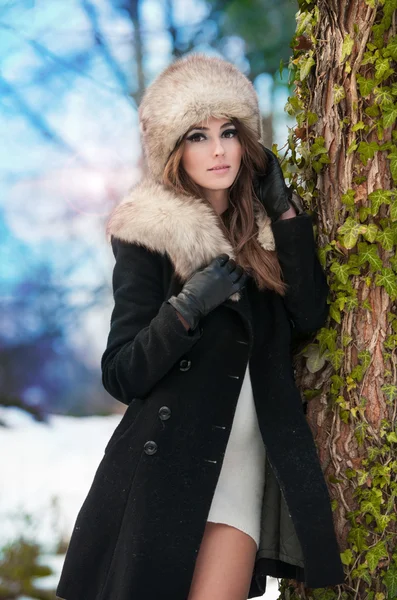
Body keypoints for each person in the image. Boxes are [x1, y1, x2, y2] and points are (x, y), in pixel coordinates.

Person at [56, 53, 345, 600]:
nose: (217, 150)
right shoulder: (147, 237)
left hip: (239, 474)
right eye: (197, 135)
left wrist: (283, 215)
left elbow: (309, 317)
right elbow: (122, 373)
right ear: (173, 149)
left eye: (228, 131)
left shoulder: (263, 238)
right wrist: (186, 308)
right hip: (164, 473)